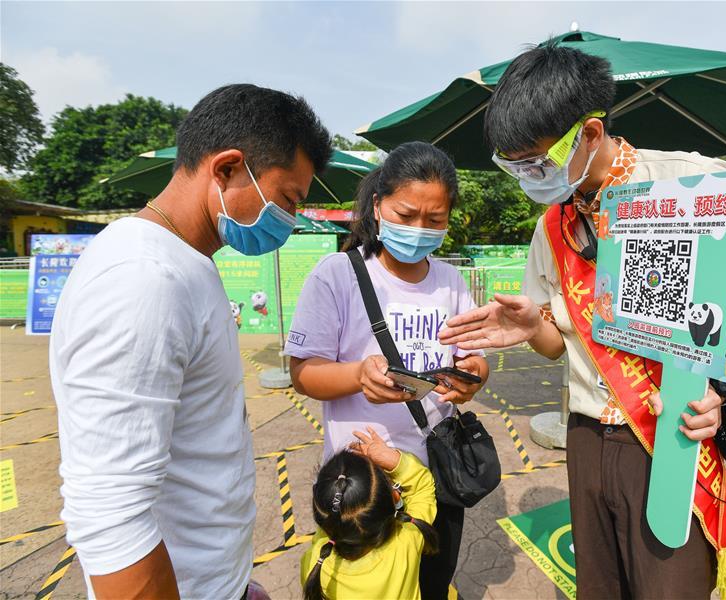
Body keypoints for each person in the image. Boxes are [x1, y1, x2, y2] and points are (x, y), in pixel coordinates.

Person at [439, 42, 726, 599]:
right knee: (598, 587)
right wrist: (534, 328)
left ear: (591, 132)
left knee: (669, 587)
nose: (530, 177)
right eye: (516, 166)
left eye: (538, 161)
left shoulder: (696, 186)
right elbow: (559, 344)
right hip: (584, 435)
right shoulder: (549, 227)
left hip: (669, 434)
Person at [49, 84, 331, 599]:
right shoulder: (144, 278)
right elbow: (110, 512)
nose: (289, 221)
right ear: (225, 168)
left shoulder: (184, 263)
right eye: (287, 199)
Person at [284, 141, 488, 600]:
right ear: (378, 205)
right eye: (407, 214)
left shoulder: (451, 280)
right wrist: (358, 376)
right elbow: (304, 373)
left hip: (435, 471)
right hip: (364, 485)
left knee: (433, 581)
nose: (419, 229)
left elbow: (473, 360)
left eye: (434, 220)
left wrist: (474, 374)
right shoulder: (336, 275)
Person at [301, 426, 439, 600]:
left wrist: (335, 510)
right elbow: (423, 488)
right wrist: (395, 461)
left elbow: (329, 527)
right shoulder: (406, 541)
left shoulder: (315, 566)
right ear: (394, 497)